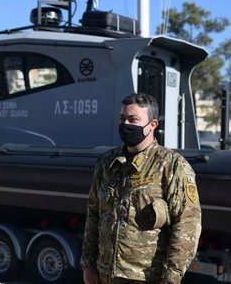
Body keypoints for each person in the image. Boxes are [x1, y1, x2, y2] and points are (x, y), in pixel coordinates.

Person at [81, 93, 201, 284]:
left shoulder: (172, 166)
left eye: (133, 119)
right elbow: (93, 214)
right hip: (105, 274)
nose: (125, 124)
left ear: (152, 125)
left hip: (146, 277)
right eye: (122, 119)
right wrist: (88, 263)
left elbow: (187, 225)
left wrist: (171, 277)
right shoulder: (106, 163)